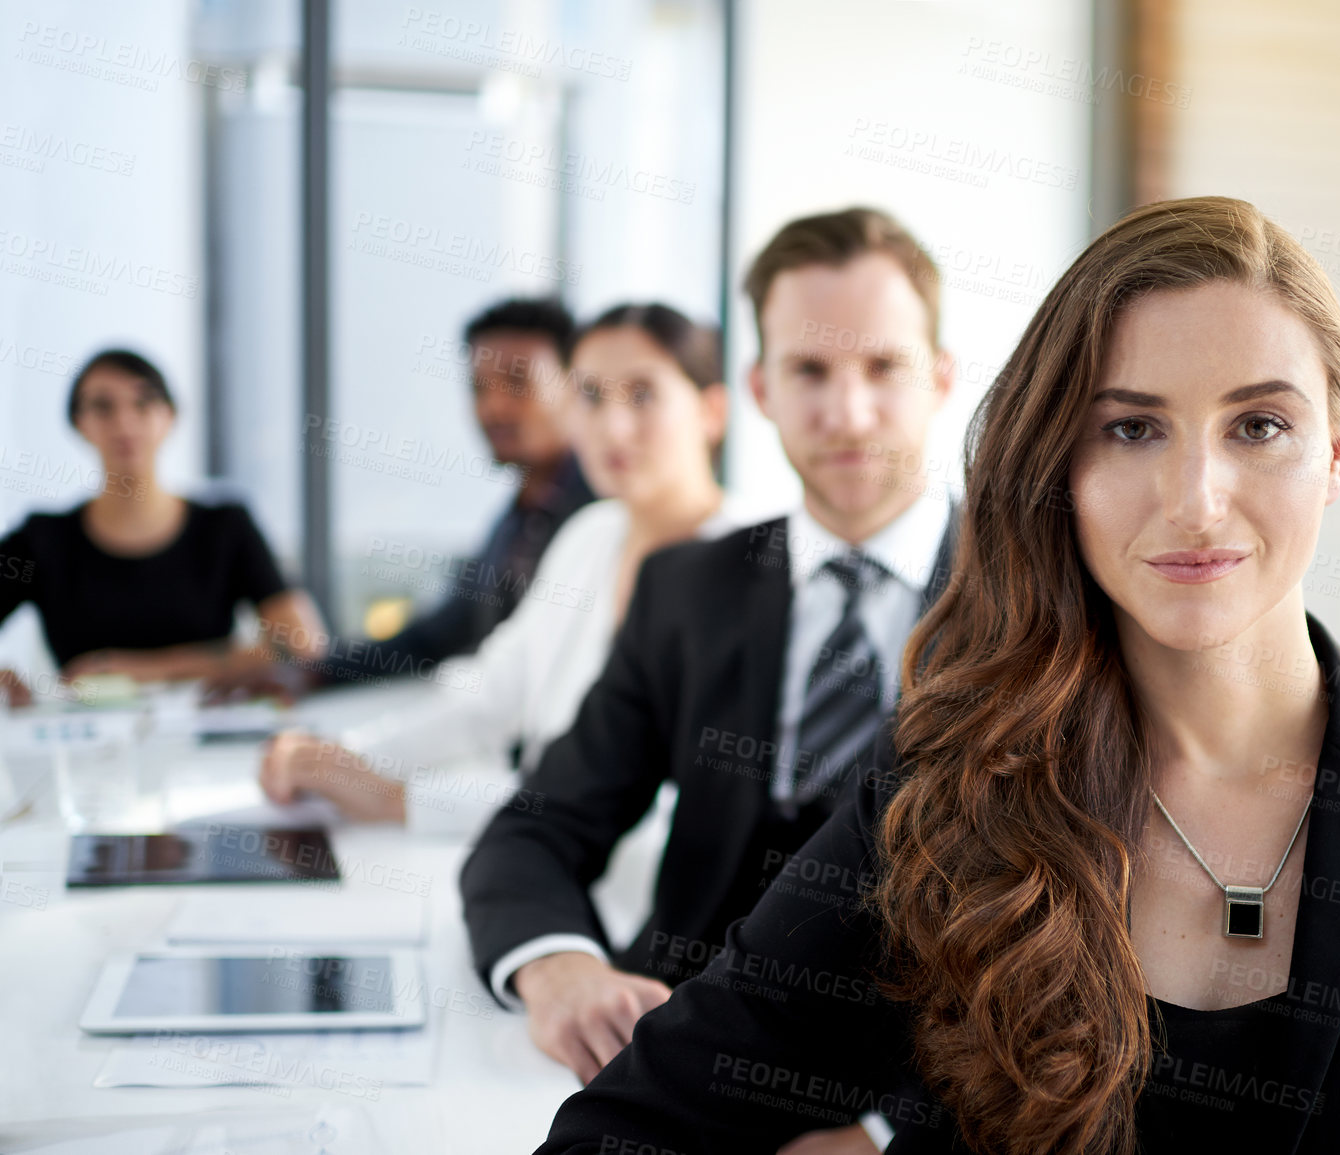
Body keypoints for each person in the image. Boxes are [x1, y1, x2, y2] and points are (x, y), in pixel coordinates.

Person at [529, 198, 1340, 1155]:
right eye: (1131, 428)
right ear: (1061, 466)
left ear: (1338, 446)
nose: (1196, 500)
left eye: (1261, 425)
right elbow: (630, 1125)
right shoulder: (948, 792)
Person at [460, 208, 958, 1151]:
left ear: (939, 378)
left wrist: (891, 1134)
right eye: (810, 370)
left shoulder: (1044, 605)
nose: (846, 413)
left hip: (913, 1095)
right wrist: (558, 964)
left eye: (882, 368)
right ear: (761, 387)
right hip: (676, 1063)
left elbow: (1100, 936)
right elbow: (537, 827)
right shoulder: (688, 588)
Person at [255, 303, 736, 839]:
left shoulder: (746, 570)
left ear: (711, 411)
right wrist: (343, 761)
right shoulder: (592, 535)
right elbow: (493, 692)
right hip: (540, 868)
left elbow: (646, 808)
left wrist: (400, 800)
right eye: (592, 396)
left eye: (642, 394)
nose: (612, 427)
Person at [213, 297, 599, 698]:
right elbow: (436, 636)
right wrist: (314, 673)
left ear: (578, 387)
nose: (494, 407)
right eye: (478, 387)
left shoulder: (604, 511)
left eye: (518, 384)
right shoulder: (516, 521)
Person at [0, 349, 325, 705]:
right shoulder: (43, 541)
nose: (124, 423)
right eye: (103, 407)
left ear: (169, 416)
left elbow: (302, 644)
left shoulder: (225, 528)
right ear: (79, 422)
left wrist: (148, 669)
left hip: (210, 741)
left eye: (143, 402)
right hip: (86, 747)